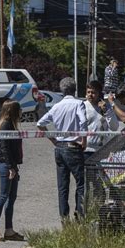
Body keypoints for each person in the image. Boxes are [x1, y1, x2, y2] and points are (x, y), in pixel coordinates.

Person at [37, 77, 88, 219]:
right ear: (75, 89)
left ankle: (64, 218)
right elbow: (83, 122)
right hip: (73, 147)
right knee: (81, 183)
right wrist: (84, 140)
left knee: (63, 186)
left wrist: (53, 139)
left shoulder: (57, 106)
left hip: (59, 148)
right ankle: (80, 215)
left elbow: (40, 123)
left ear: (62, 90)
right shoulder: (79, 104)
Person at [0, 99, 24, 242]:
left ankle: (9, 229)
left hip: (12, 165)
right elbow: (4, 148)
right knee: (3, 196)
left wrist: (15, 167)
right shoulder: (5, 126)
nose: (21, 112)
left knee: (12, 197)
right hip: (5, 165)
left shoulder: (11, 125)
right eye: (19, 109)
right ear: (13, 111)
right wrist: (10, 167)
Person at [84, 80, 119, 161]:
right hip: (86, 150)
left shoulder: (106, 107)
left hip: (102, 151)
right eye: (88, 92)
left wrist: (106, 111)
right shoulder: (82, 106)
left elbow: (114, 127)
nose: (90, 95)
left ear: (99, 93)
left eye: (93, 92)